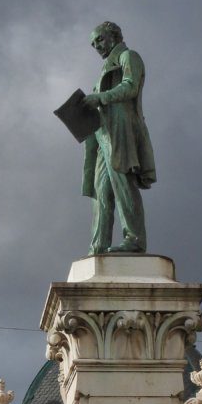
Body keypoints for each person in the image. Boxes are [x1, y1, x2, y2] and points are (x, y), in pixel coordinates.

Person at [82, 20, 156, 255]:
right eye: (93, 43)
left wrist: (100, 97)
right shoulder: (106, 67)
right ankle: (98, 245)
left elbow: (130, 87)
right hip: (102, 134)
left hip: (121, 129)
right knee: (100, 190)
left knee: (123, 183)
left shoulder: (128, 56)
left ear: (114, 35)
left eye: (100, 39)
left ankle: (134, 239)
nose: (97, 46)